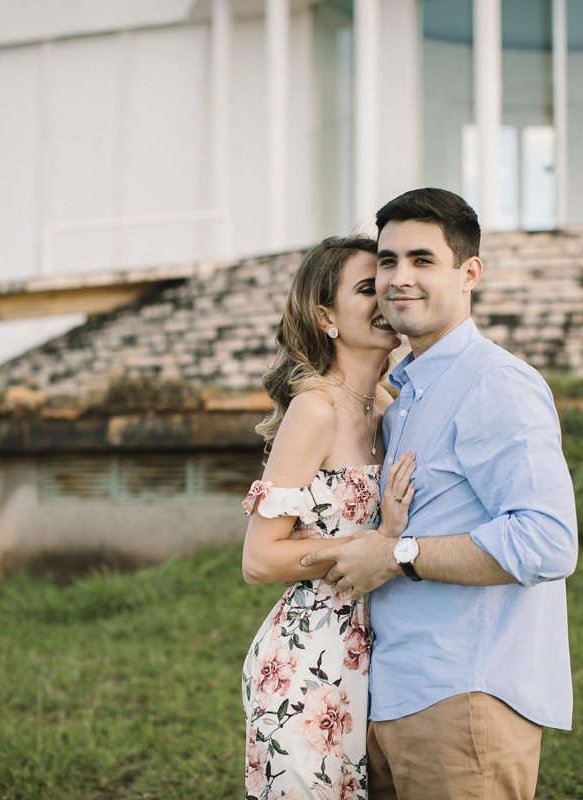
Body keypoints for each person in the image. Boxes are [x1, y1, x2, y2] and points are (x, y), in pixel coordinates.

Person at [301, 189, 579, 800]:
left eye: (422, 260)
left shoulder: (495, 383)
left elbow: (547, 541)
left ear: (469, 272)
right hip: (390, 693)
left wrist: (398, 554)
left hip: (464, 697)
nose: (399, 278)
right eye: (388, 261)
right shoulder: (405, 398)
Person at [240, 235, 418, 800]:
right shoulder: (314, 410)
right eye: (367, 289)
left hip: (382, 651)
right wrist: (375, 544)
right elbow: (259, 559)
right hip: (309, 660)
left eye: (384, 284)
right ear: (326, 317)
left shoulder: (391, 408)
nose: (385, 296)